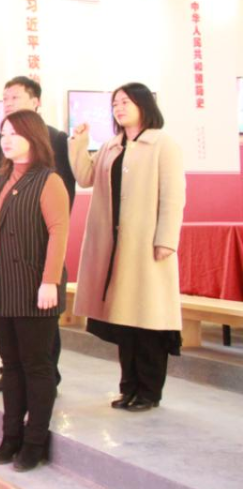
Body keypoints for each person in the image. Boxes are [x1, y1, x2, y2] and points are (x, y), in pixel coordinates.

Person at [0, 110, 69, 472]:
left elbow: (59, 232)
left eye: (14, 134)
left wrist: (50, 281)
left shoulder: (48, 180)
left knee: (36, 366)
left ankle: (34, 442)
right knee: (11, 365)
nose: (6, 140)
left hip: (34, 285)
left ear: (33, 138)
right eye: (3, 133)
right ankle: (10, 438)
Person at [70, 83, 185, 412]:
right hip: (115, 246)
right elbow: (85, 177)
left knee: (148, 319)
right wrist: (78, 144)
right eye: (115, 103)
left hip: (146, 246)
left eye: (126, 102)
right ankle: (128, 387)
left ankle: (149, 392)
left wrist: (165, 240)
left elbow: (174, 196)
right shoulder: (112, 145)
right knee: (125, 320)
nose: (119, 108)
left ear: (144, 105)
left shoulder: (163, 144)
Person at [0, 75, 75, 393]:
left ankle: (47, 375)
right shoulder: (0, 140)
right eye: (5, 98)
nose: (8, 103)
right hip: (3, 249)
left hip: (37, 244)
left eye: (15, 97)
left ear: (36, 101)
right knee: (7, 320)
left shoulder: (55, 138)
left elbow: (63, 194)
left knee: (40, 322)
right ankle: (11, 373)